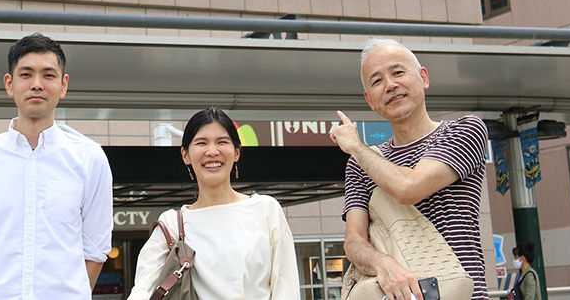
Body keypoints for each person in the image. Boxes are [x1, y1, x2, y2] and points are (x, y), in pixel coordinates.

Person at [0, 33, 113, 300]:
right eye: (26, 74)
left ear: (63, 85)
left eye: (48, 75)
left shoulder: (90, 158)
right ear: (9, 84)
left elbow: (96, 249)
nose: (37, 84)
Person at [330, 38, 488, 300]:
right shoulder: (359, 166)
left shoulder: (464, 130)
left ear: (423, 77)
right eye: (377, 81)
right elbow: (354, 240)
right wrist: (382, 263)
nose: (390, 85)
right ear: (370, 100)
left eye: (398, 72)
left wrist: (357, 147)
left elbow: (409, 188)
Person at [126, 107, 298, 299]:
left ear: (236, 153)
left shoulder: (266, 210)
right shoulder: (172, 224)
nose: (212, 151)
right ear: (185, 155)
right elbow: (142, 290)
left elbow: (286, 287)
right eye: (201, 143)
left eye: (222, 142)